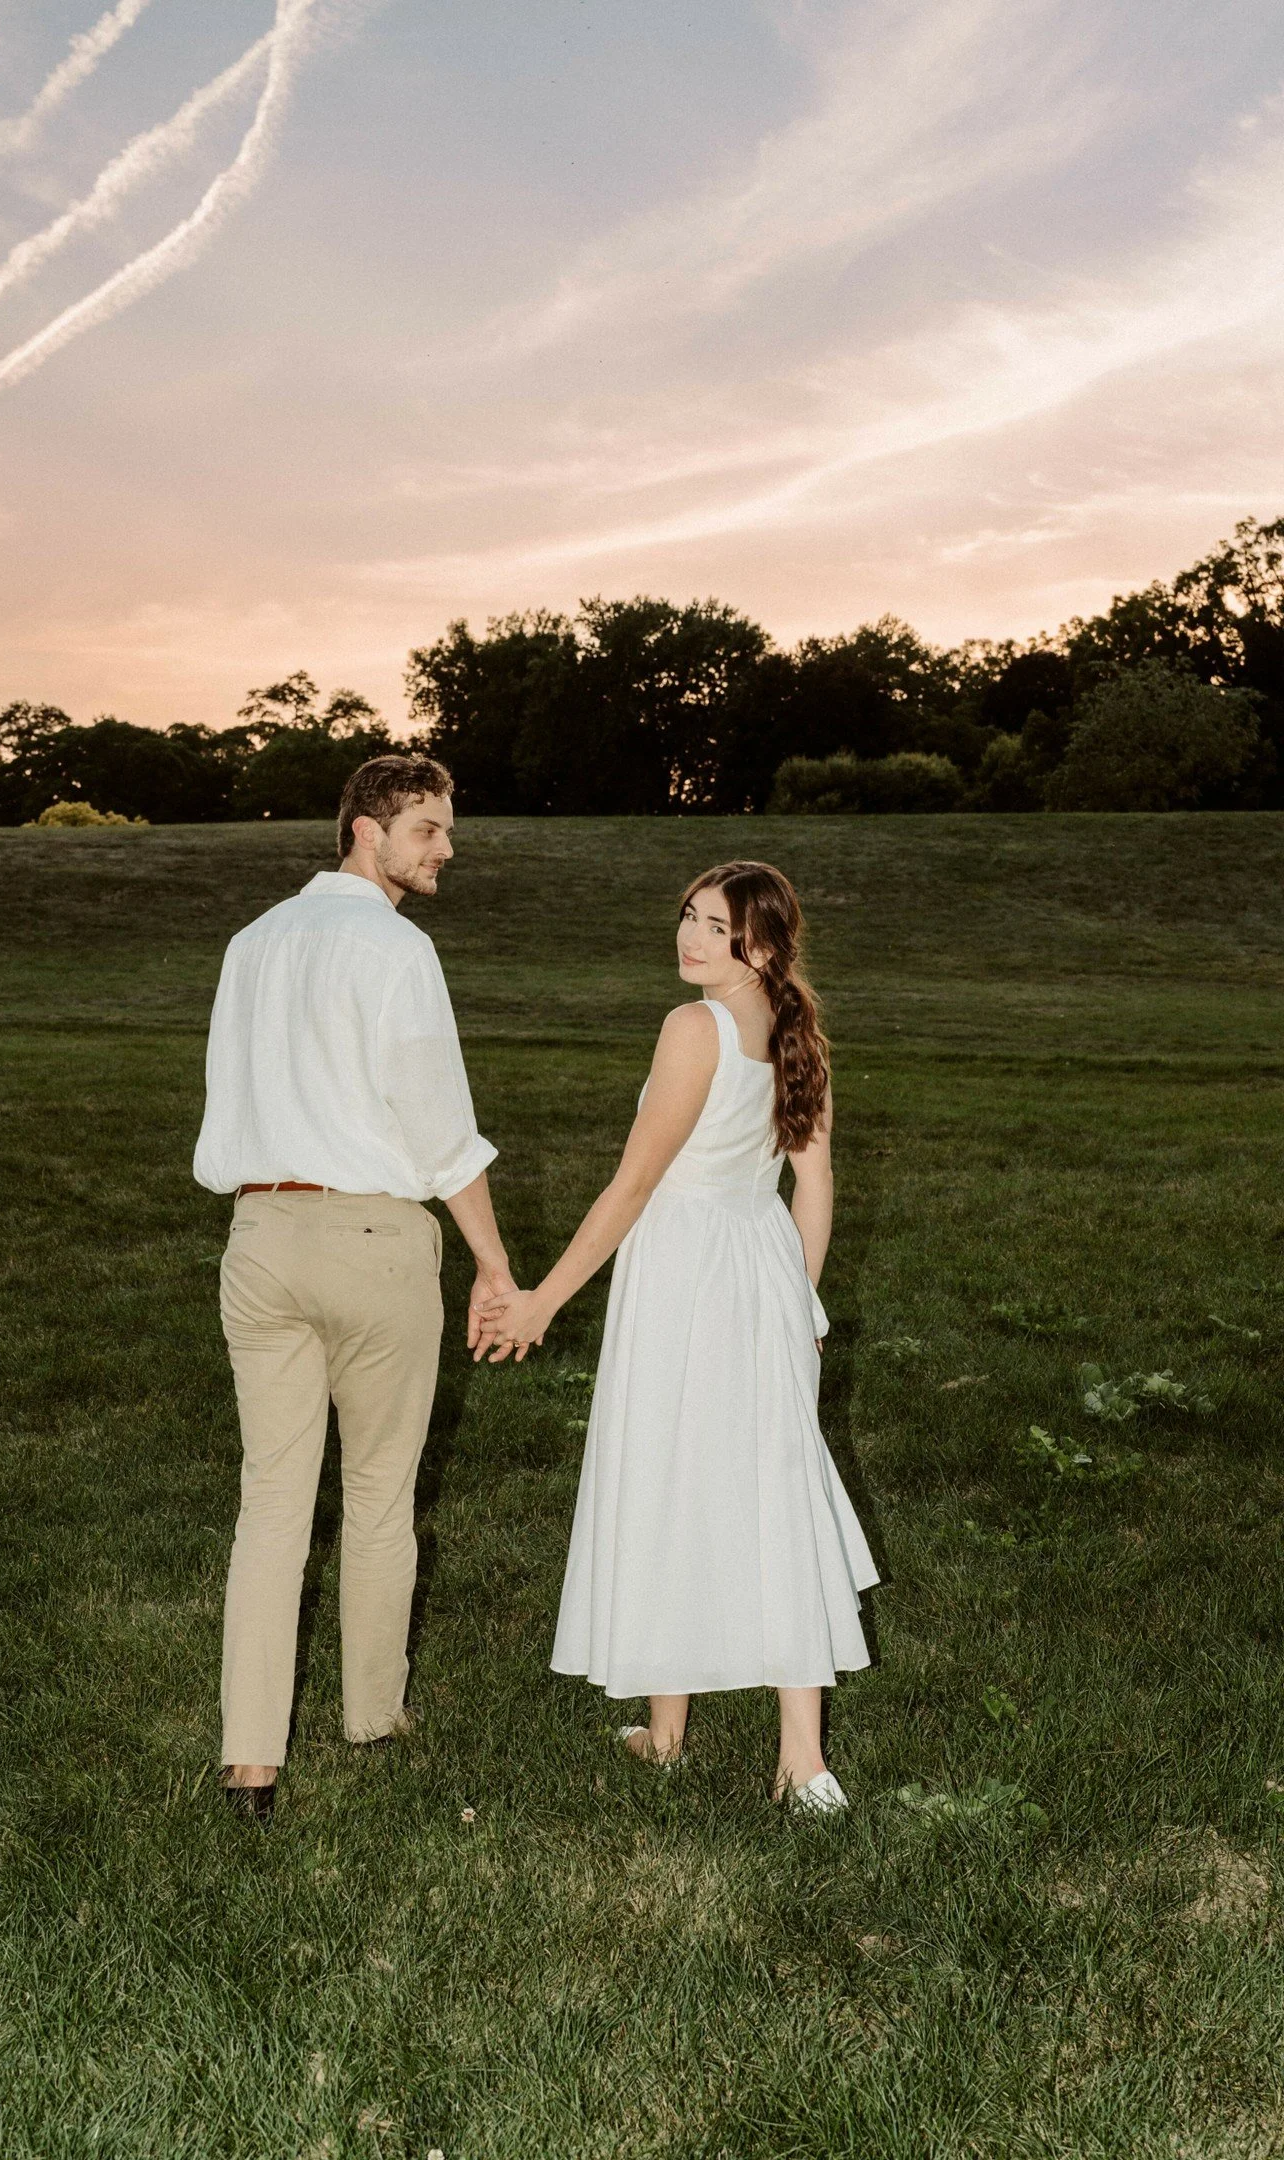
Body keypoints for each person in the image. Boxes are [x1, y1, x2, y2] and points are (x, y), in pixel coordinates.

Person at [477, 861, 878, 1812]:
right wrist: (802, 1304)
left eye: (718, 928)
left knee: (679, 1472)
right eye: (688, 917)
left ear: (765, 948)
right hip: (759, 1273)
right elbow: (811, 1192)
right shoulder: (796, 1032)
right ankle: (740, 1746)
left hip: (686, 1276)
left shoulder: (692, 1028)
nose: (692, 939)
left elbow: (633, 1186)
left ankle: (774, 1755)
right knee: (764, 1485)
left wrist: (541, 1301)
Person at [193, 754, 513, 1824]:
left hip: (258, 1238)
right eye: (428, 829)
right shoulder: (396, 949)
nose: (447, 850)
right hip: (373, 1236)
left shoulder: (251, 943)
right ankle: (371, 1717)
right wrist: (496, 1265)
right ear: (366, 832)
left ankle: (251, 1760)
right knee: (377, 1494)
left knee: (271, 1500)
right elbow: (437, 1123)